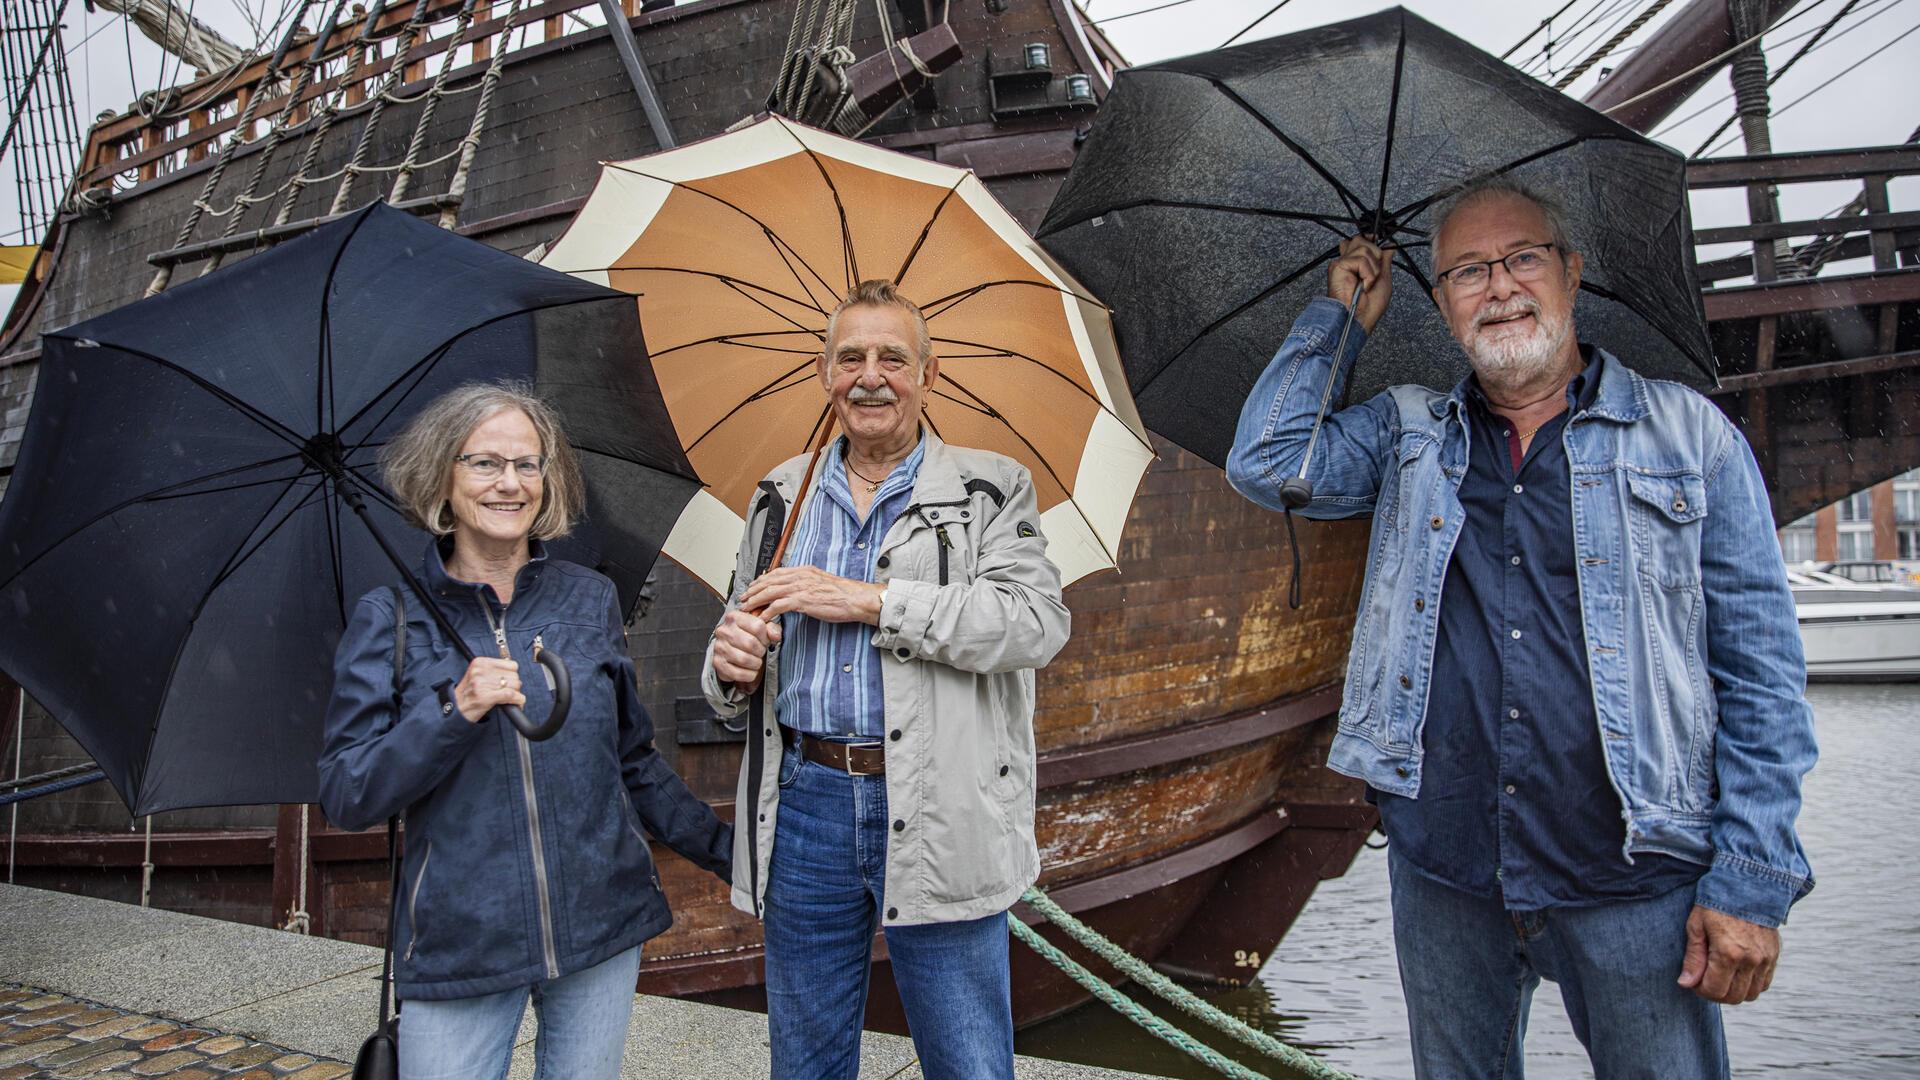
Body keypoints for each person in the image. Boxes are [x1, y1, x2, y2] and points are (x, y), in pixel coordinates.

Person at [1225, 177, 1817, 1079]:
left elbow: (1761, 672)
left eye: (1521, 259)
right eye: (1467, 271)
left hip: (1632, 874)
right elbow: (1270, 462)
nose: (1498, 287)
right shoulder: (1412, 433)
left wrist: (1751, 881)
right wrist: (1340, 317)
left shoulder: (1689, 437)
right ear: (1441, 303)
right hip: (1447, 869)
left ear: (1570, 275)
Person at [701, 280, 1070, 1079]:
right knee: (805, 1060)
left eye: (892, 358)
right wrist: (728, 667)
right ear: (826, 373)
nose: (871, 376)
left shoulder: (988, 489)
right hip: (807, 803)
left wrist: (870, 601)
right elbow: (737, 639)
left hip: (940, 803)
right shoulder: (779, 494)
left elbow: (1033, 624)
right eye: (851, 358)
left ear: (927, 375)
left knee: (967, 1059)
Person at [318, 381, 731, 1080]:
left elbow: (634, 762)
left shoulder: (587, 598)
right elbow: (348, 791)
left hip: (602, 923)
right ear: (441, 479)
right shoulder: (390, 617)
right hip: (462, 943)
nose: (510, 483)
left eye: (527, 464)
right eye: (483, 463)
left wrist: (736, 858)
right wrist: (454, 710)